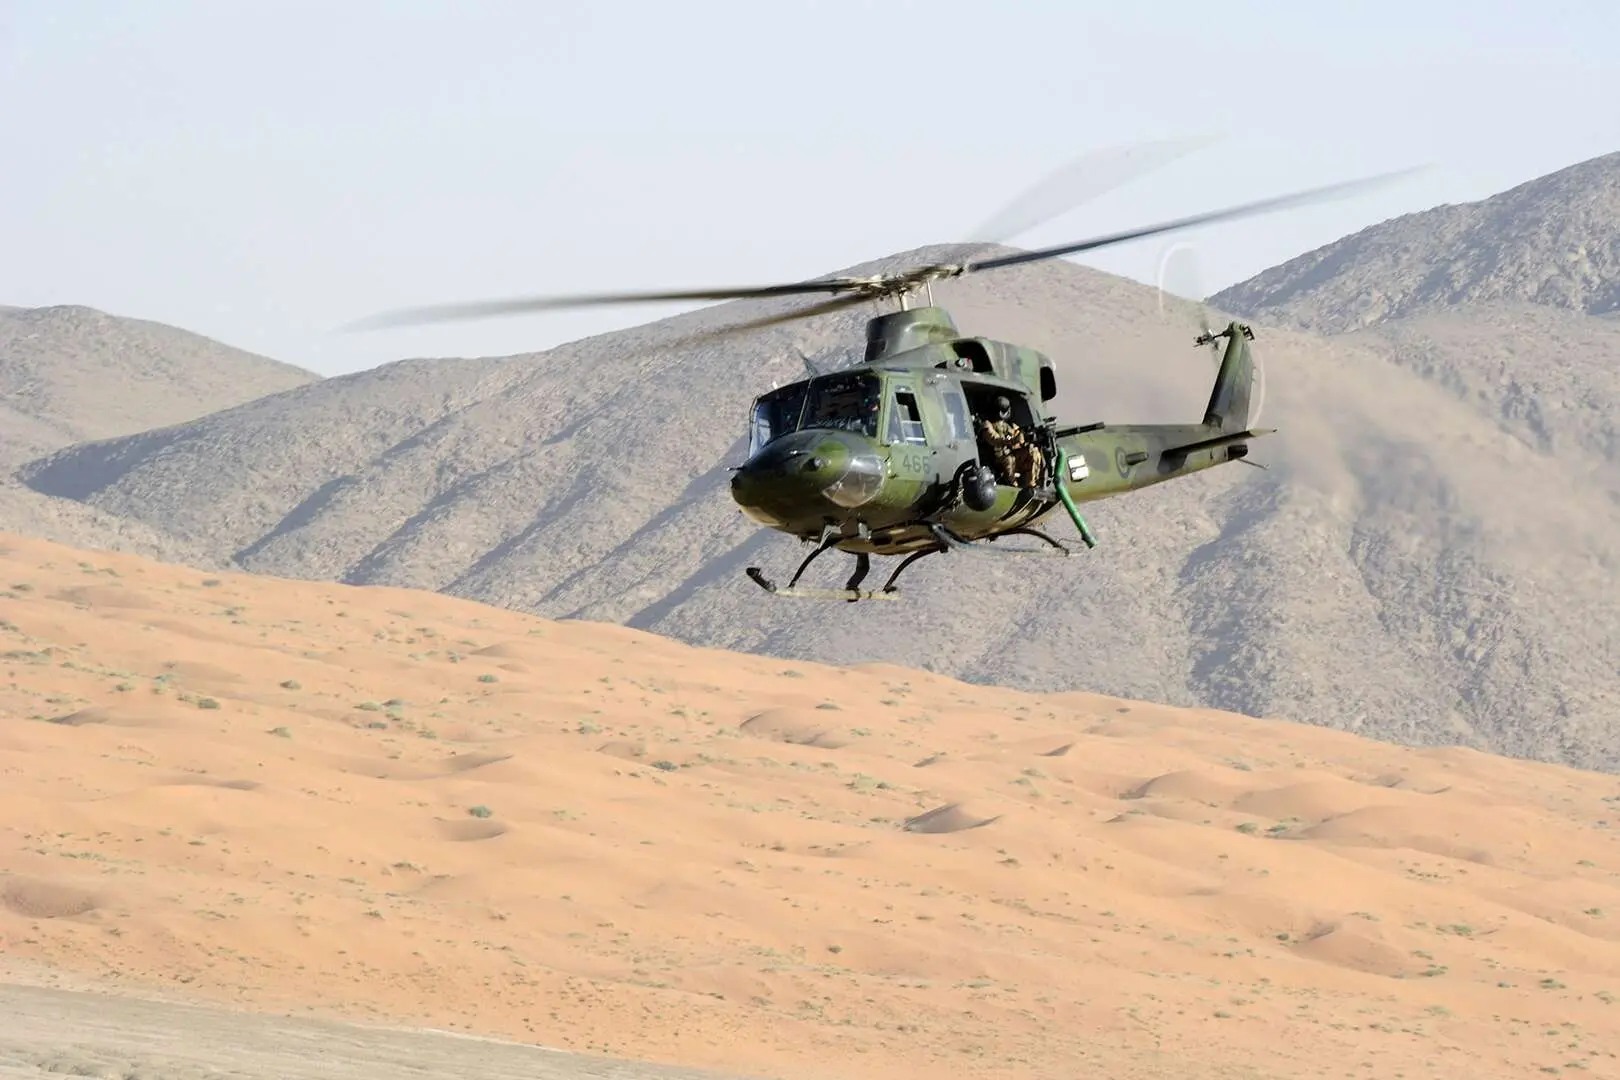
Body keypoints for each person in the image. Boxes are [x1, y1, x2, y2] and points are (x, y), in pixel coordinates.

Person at [976, 396, 1044, 487]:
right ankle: (1013, 484)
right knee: (1009, 460)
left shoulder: (1008, 425)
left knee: (1034, 452)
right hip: (997, 458)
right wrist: (1010, 441)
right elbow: (994, 439)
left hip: (1012, 453)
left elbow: (1018, 436)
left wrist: (1024, 437)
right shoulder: (987, 425)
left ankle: (1031, 482)